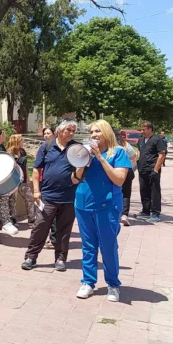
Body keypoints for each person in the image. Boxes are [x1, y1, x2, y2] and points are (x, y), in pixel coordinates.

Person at [73, 120, 131, 302]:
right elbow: (74, 179)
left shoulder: (118, 153)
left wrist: (100, 157)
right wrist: (83, 161)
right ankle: (88, 282)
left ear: (106, 132)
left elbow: (119, 179)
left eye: (97, 131)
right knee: (88, 246)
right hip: (84, 204)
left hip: (107, 206)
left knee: (108, 246)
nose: (94, 135)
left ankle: (113, 284)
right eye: (91, 132)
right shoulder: (85, 153)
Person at [23, 120, 80, 272]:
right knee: (40, 227)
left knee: (64, 230)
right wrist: (36, 191)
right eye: (69, 130)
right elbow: (36, 170)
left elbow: (82, 170)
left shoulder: (76, 148)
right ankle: (31, 257)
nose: (71, 133)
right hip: (47, 196)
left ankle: (60, 258)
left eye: (73, 131)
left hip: (69, 197)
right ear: (59, 131)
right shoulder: (47, 146)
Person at [136, 121, 166, 223]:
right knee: (143, 190)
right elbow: (139, 153)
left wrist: (156, 169)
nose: (142, 131)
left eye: (144, 130)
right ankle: (146, 210)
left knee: (154, 192)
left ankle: (155, 213)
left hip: (152, 170)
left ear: (150, 129)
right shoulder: (140, 140)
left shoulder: (157, 140)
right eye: (141, 129)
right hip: (142, 169)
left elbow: (162, 154)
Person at [5, 134, 36, 229]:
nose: (23, 142)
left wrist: (27, 177)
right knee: (12, 200)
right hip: (13, 181)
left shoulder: (22, 151)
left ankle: (31, 219)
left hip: (23, 179)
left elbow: (25, 165)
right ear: (17, 141)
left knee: (30, 198)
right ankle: (13, 219)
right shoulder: (9, 153)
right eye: (21, 140)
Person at [117, 130, 138, 227]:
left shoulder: (110, 145)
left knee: (115, 192)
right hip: (127, 170)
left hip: (114, 171)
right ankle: (124, 215)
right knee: (126, 193)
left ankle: (115, 213)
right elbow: (134, 156)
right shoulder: (126, 144)